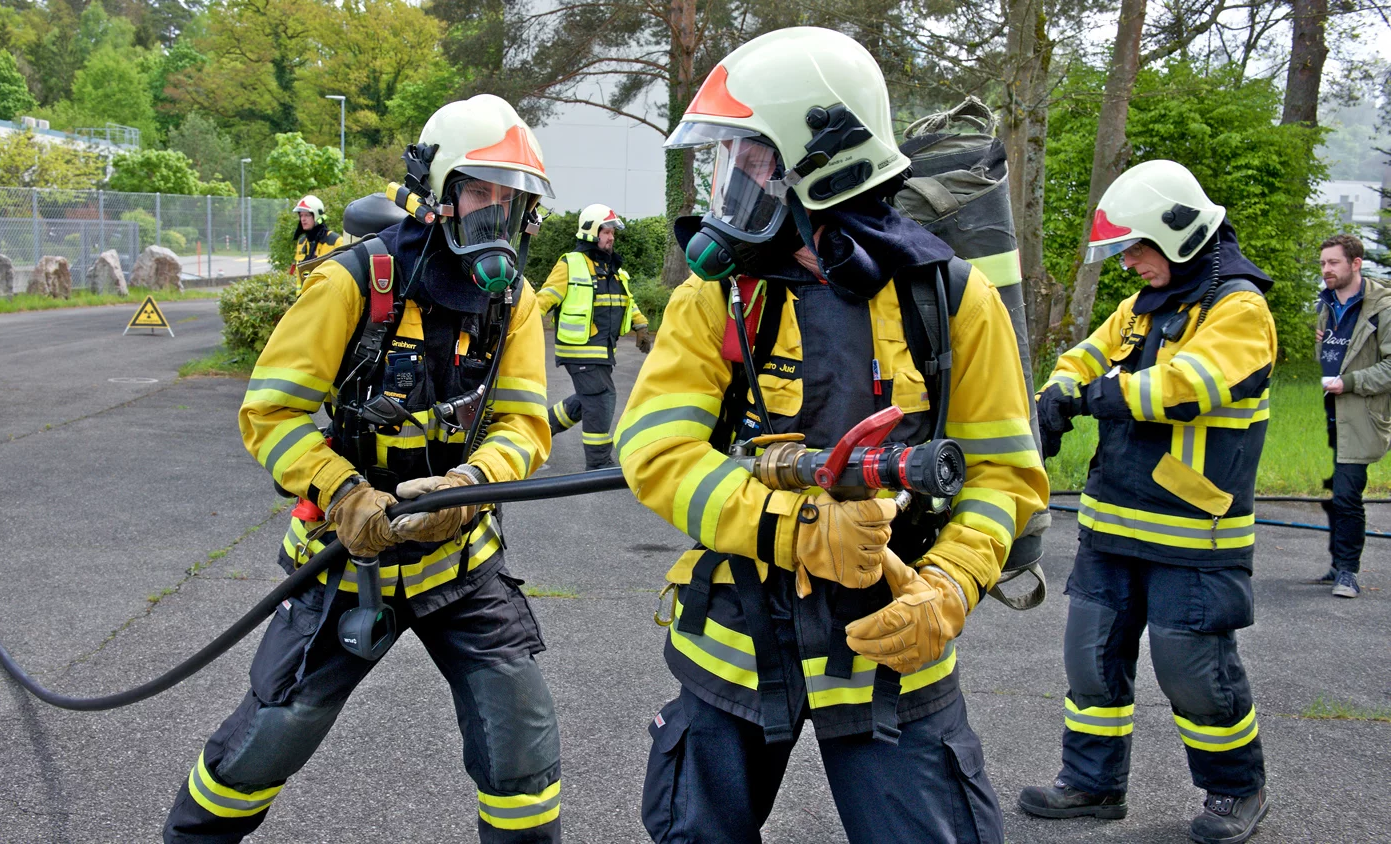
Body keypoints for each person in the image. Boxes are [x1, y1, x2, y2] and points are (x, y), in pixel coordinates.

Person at [616, 27, 1046, 843]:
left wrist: (951, 587)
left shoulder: (952, 299)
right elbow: (657, 453)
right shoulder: (720, 296)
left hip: (892, 638)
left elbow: (1003, 476)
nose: (731, 181)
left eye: (750, 159)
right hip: (736, 636)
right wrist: (797, 524)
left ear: (823, 165)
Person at [163, 94, 563, 843]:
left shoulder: (514, 300)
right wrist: (344, 493)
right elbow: (270, 414)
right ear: (435, 191)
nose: (496, 213)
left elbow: (522, 423)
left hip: (459, 565)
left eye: (510, 199)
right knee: (270, 737)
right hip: (346, 560)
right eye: (479, 191)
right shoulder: (354, 280)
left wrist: (468, 487)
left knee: (522, 748)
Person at [1021, 159, 1274, 844]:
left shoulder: (1240, 309)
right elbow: (1084, 355)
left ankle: (1236, 789)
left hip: (1193, 532)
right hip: (1111, 523)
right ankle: (1092, 784)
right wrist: (1056, 392)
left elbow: (1186, 385)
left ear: (1179, 233)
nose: (1129, 261)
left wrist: (1093, 396)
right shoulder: (1141, 306)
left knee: (1193, 672)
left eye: (1137, 247)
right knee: (1090, 657)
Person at [536, 203, 652, 469]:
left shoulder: (613, 269)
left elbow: (628, 301)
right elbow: (544, 300)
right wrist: (521, 327)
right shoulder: (571, 263)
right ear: (591, 232)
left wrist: (641, 326)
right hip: (579, 350)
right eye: (606, 232)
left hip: (602, 351)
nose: (611, 238)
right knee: (601, 398)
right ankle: (598, 463)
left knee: (587, 399)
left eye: (612, 233)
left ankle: (538, 431)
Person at [1315, 233, 1389, 599]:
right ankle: (1335, 565)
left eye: (1333, 263)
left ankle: (1348, 572)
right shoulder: (1326, 303)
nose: (1325, 269)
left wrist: (1351, 382)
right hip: (1326, 414)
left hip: (1359, 414)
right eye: (1323, 263)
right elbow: (1331, 354)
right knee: (1332, 494)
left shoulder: (1382, 307)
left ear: (1355, 264)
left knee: (1346, 495)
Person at [289, 194, 345, 292]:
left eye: (307, 215)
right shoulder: (302, 242)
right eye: (301, 215)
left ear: (317, 216)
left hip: (326, 296)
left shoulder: (335, 241)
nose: (303, 219)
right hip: (305, 296)